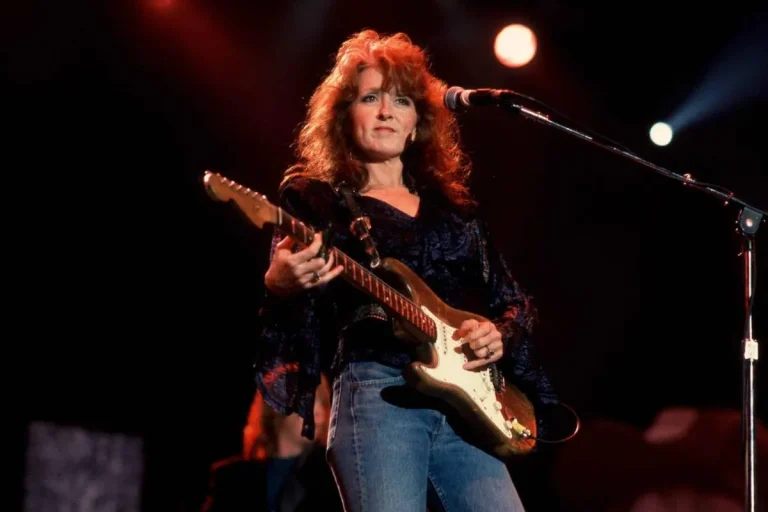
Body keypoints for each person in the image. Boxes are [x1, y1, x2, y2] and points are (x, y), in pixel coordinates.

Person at [253, 29, 559, 512]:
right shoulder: (321, 201)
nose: (385, 112)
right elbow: (286, 284)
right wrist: (280, 281)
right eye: (369, 97)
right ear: (342, 116)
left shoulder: (456, 213)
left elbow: (513, 301)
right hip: (379, 395)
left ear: (418, 122)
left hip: (469, 407)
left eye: (400, 100)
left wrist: (496, 334)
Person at [201, 374, 343, 512]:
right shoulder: (232, 479)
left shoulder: (331, 474)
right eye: (308, 401)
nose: (319, 412)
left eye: (322, 403)